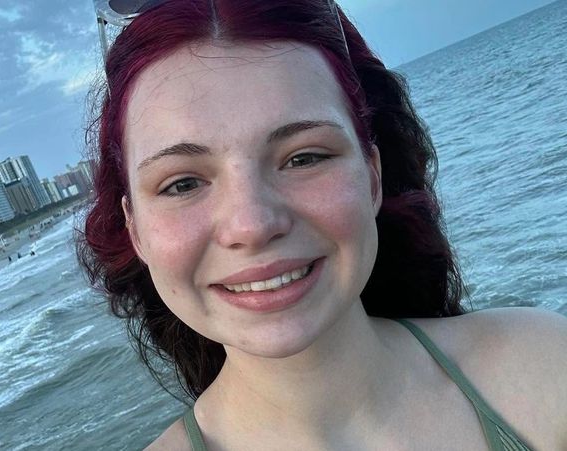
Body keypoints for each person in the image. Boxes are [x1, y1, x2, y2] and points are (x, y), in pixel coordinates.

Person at [79, 1, 567, 450]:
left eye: (304, 158)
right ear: (135, 229)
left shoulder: (544, 368)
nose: (252, 225)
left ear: (372, 177)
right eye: (182, 184)